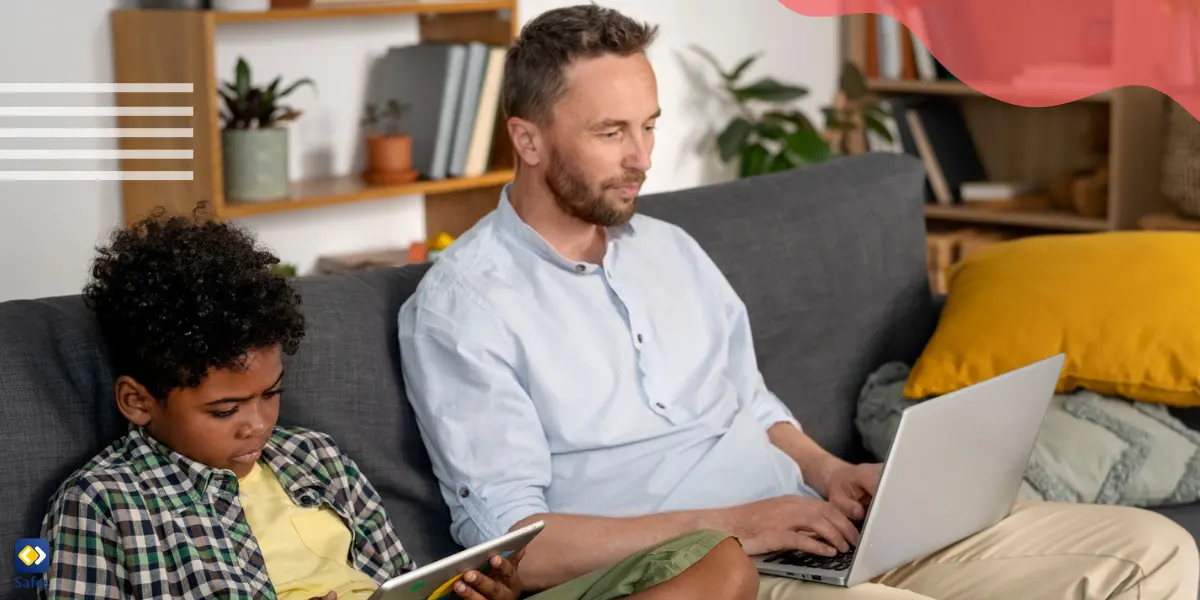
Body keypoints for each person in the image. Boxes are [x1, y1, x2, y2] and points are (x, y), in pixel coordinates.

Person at [397, 4, 1200, 600]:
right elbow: (514, 546)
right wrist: (742, 522)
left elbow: (751, 403)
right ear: (528, 140)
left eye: (648, 126)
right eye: (612, 132)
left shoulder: (671, 250)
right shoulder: (465, 307)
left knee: (1154, 552)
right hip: (712, 567)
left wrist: (832, 470)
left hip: (815, 527)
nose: (642, 157)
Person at [38, 210, 759, 600]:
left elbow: (404, 581)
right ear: (137, 401)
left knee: (721, 564)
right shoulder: (104, 505)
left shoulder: (314, 459)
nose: (259, 423)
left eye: (271, 394)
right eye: (226, 411)